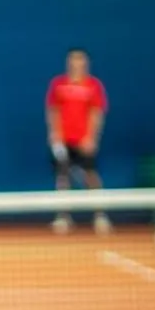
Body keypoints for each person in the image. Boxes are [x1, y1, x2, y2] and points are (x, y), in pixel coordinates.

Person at [45, 48, 112, 235]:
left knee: (91, 176)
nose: (77, 65)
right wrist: (54, 133)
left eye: (81, 62)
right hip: (63, 141)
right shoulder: (58, 84)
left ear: (86, 64)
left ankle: (100, 216)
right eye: (73, 62)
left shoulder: (93, 86)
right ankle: (63, 217)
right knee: (62, 178)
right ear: (69, 64)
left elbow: (97, 113)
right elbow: (53, 110)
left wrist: (91, 137)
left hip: (84, 141)